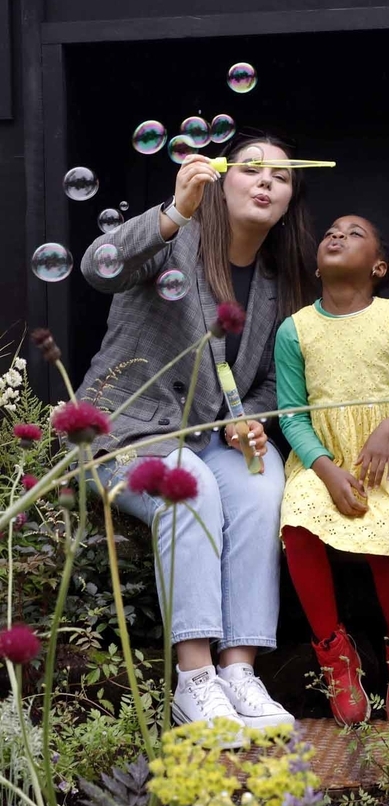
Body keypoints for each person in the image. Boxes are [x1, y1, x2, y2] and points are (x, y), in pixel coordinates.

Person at [77, 134, 317, 741]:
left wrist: (250, 419)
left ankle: (240, 671)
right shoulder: (173, 238)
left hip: (212, 439)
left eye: (281, 178)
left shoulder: (275, 281)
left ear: (289, 201)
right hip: (127, 432)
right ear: (219, 178)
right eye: (252, 169)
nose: (266, 182)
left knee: (264, 492)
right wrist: (175, 211)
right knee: (192, 487)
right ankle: (195, 678)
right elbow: (96, 266)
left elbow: (268, 385)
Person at [274, 214, 389, 726]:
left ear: (377, 266)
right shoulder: (295, 329)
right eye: (331, 231)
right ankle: (334, 652)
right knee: (297, 518)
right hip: (320, 458)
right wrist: (324, 469)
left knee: (385, 529)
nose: (336, 235)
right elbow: (291, 412)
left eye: (354, 233)